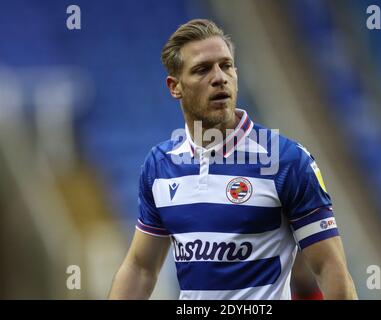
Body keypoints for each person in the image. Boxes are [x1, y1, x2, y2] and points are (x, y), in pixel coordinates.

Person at [109, 19, 357, 300]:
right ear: (174, 87)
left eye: (226, 66)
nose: (219, 77)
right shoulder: (159, 165)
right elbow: (141, 268)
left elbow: (330, 268)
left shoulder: (286, 161)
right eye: (202, 69)